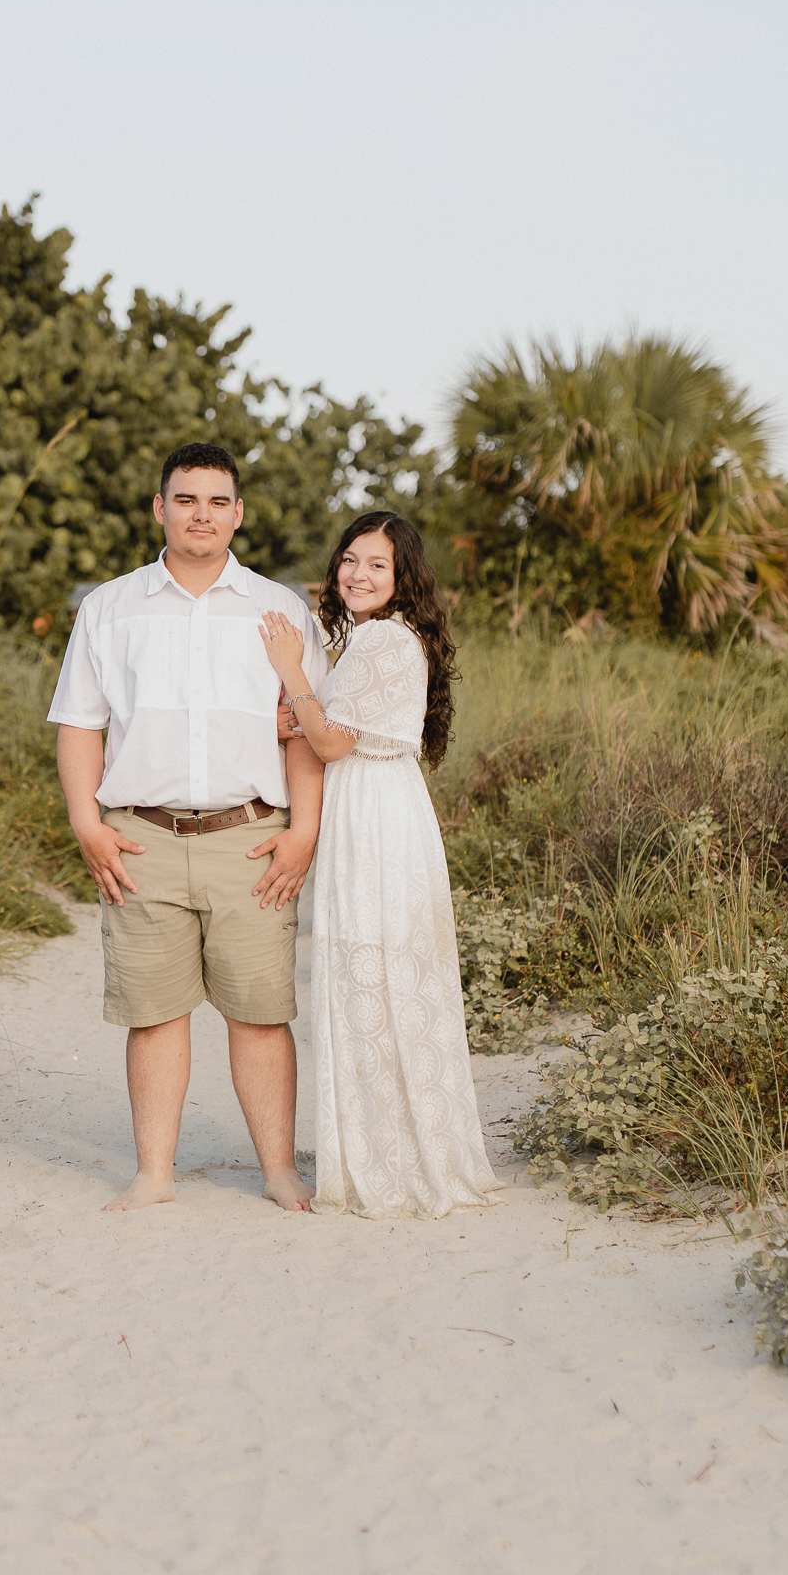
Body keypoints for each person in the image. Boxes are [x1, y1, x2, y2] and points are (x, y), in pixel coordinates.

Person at [48, 442, 332, 1212]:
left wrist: (303, 829)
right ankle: (154, 1175)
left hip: (253, 839)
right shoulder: (111, 608)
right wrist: (87, 823)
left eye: (216, 501)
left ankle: (278, 1171)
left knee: (261, 1013)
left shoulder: (280, 610)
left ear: (237, 512)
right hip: (142, 839)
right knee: (154, 1011)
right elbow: (80, 723)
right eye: (186, 499)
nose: (201, 514)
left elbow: (305, 728)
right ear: (159, 508)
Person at [258, 512, 503, 1219]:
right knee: (382, 974)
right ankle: (385, 1143)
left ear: (402, 581)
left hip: (375, 819)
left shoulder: (384, 639)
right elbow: (329, 726)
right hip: (377, 807)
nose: (358, 575)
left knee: (377, 972)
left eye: (378, 566)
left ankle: (391, 1159)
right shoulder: (368, 640)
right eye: (351, 560)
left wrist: (289, 672)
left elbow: (332, 744)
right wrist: (299, 713)